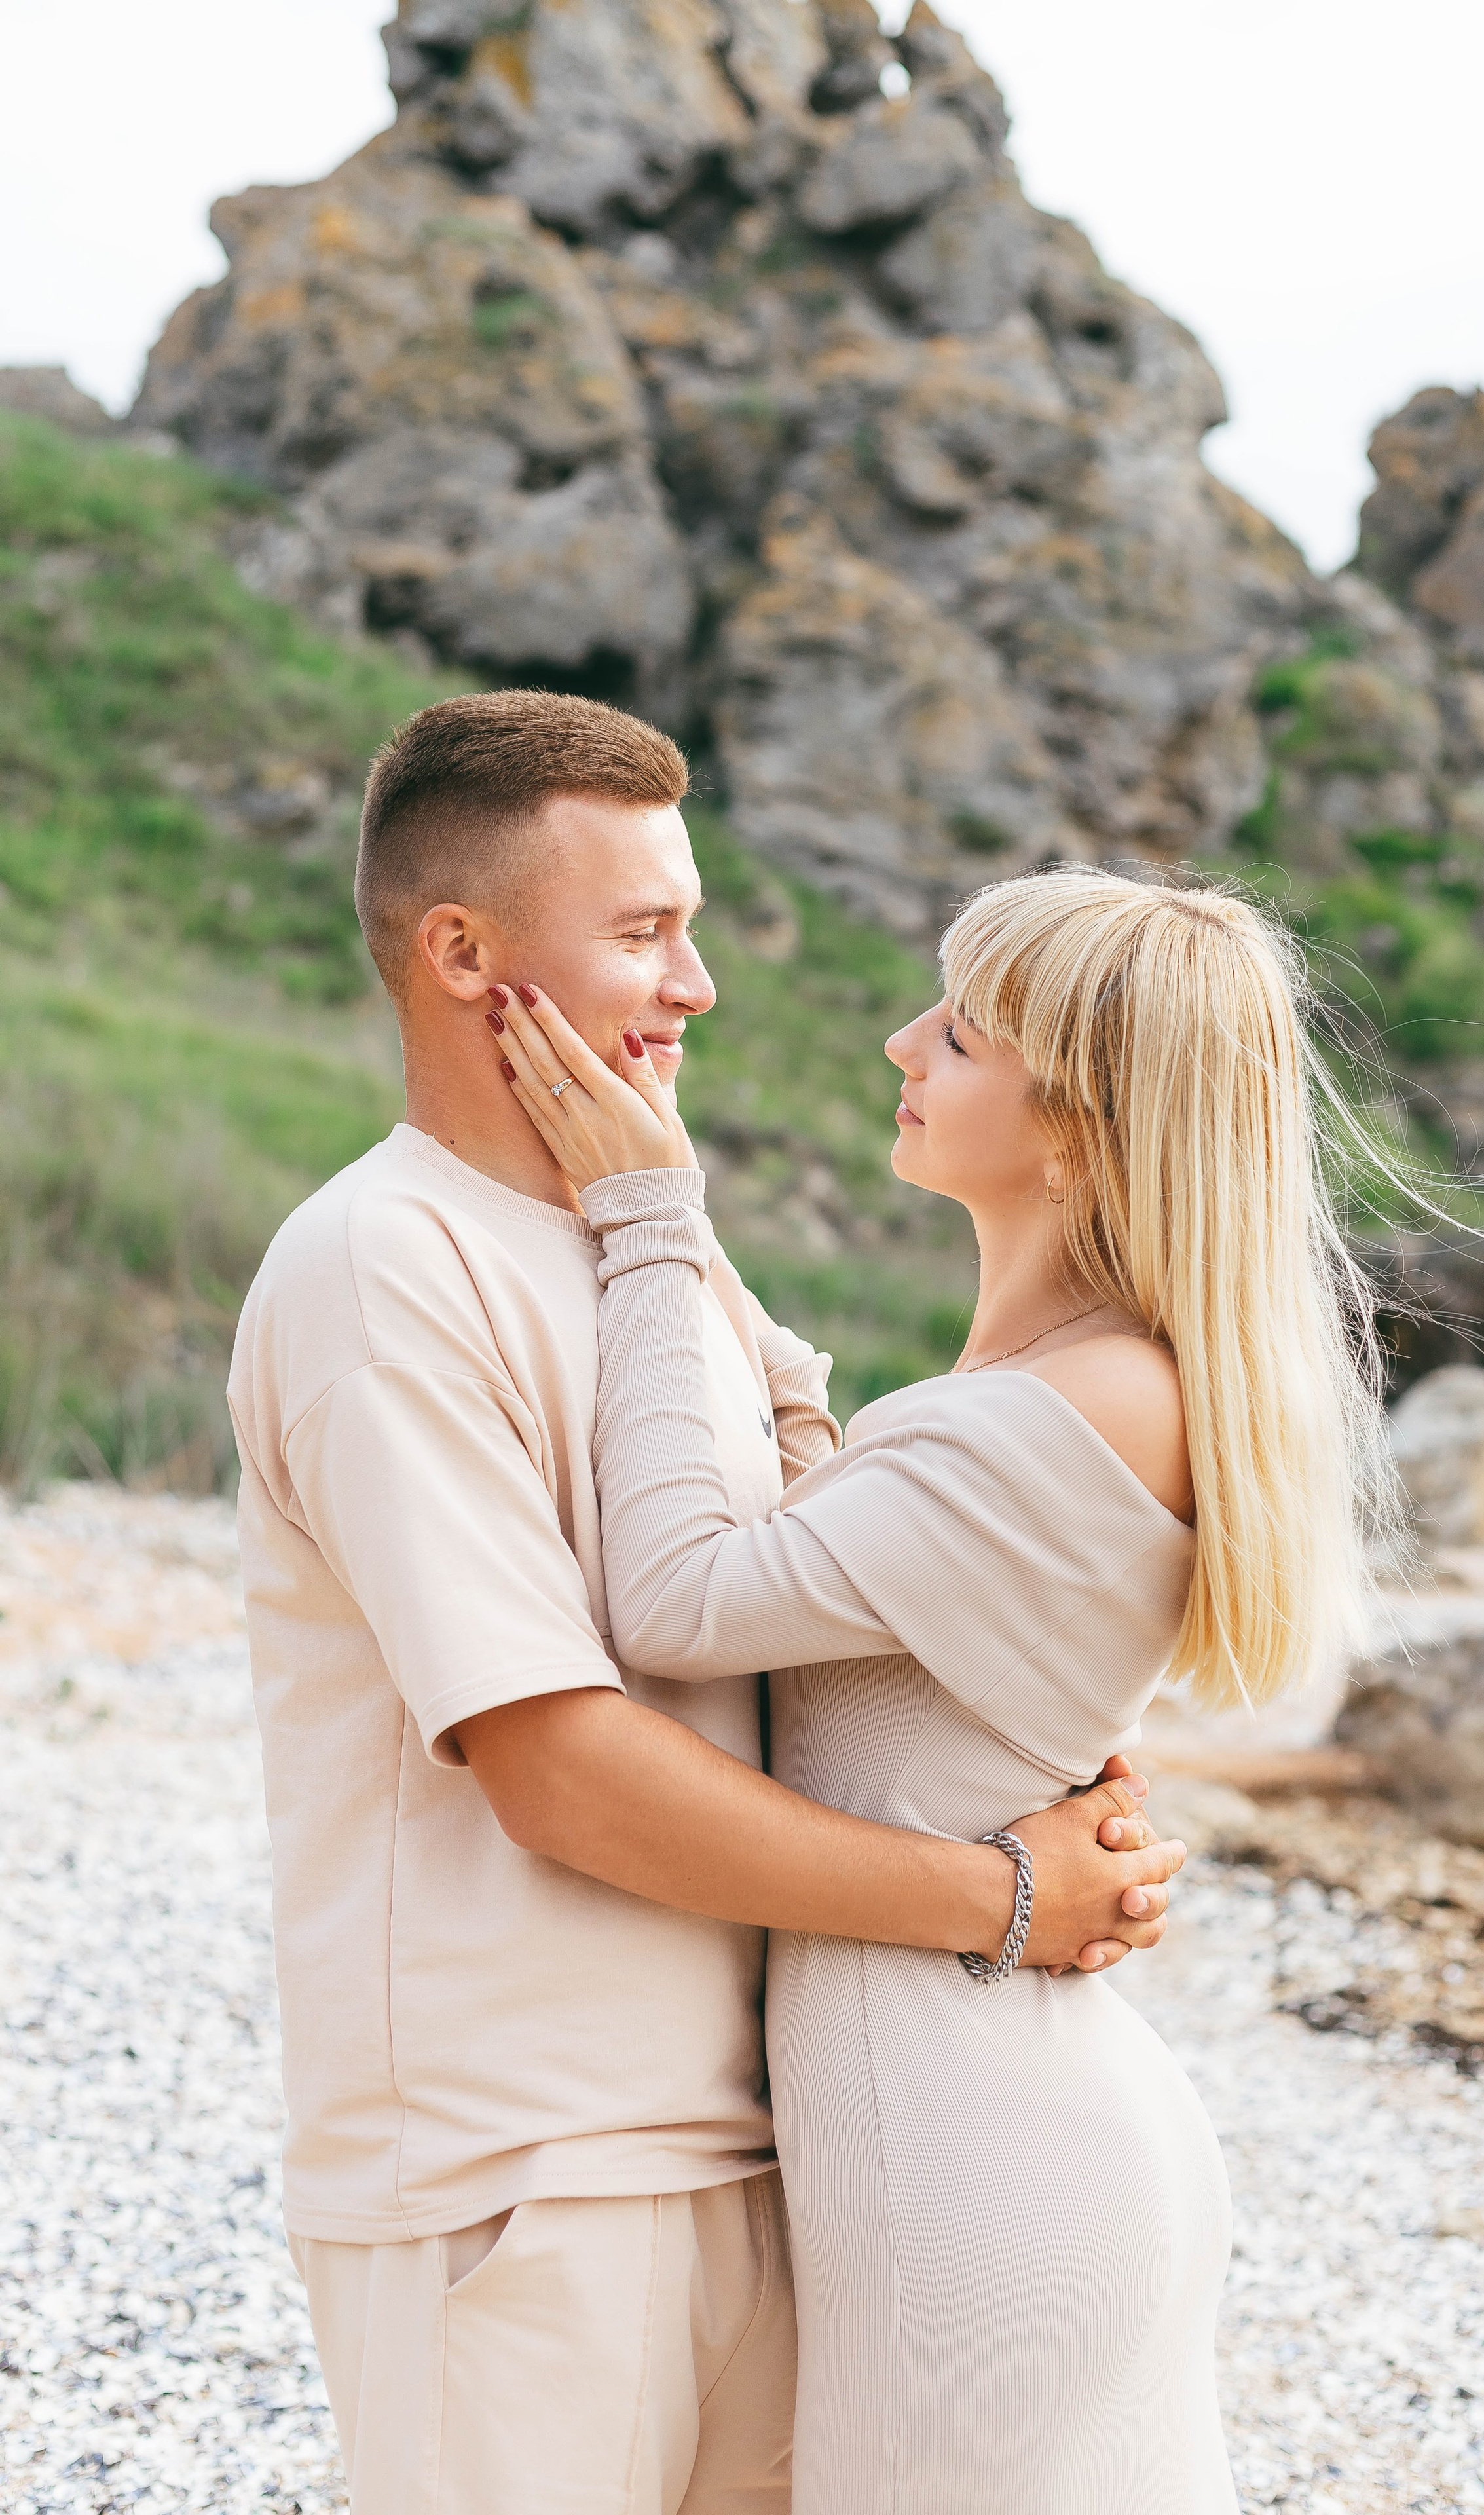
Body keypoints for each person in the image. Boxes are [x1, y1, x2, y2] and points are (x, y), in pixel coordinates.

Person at [227, 694, 1182, 2515]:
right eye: (645, 932)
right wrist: (1003, 1898)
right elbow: (562, 1771)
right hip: (518, 2178)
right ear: (463, 957)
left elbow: (826, 1602)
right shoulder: (380, 1270)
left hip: (766, 2154)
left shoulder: (649, 1250)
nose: (700, 986)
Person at [490, 864, 1390, 2515]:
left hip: (966, 2148)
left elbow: (681, 1597)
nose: (904, 1042)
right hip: (1005, 2118)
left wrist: (646, 1218)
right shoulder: (1064, 1388)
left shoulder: (1059, 1410)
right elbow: (833, 1551)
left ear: (1076, 1124)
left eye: (961, 1031)